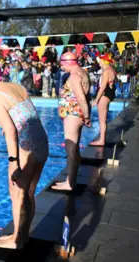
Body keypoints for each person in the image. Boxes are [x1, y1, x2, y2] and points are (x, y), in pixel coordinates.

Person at [0, 59, 49, 249]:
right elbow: (26, 115)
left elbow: (10, 130)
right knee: (29, 193)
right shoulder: (16, 86)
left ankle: (16, 239)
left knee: (17, 193)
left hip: (26, 148)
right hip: (42, 142)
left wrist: (13, 161)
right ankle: (23, 235)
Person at [52, 52, 92, 192]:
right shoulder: (82, 73)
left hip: (73, 115)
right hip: (75, 114)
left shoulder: (75, 76)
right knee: (73, 150)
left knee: (71, 150)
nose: (61, 66)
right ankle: (70, 180)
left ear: (69, 62)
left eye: (62, 63)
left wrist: (87, 117)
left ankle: (70, 183)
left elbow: (81, 98)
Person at [90, 54, 116, 146]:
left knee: (102, 120)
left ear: (104, 61)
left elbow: (102, 87)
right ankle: (102, 138)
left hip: (104, 96)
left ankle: (101, 140)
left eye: (100, 61)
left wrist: (96, 100)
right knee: (103, 119)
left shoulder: (106, 72)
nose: (99, 63)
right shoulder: (112, 70)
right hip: (109, 95)